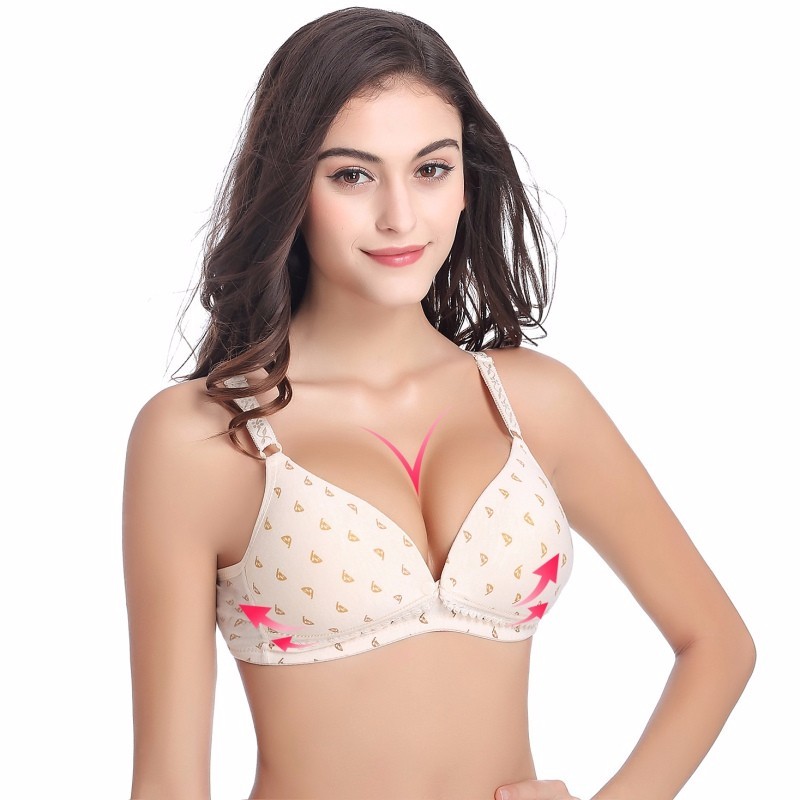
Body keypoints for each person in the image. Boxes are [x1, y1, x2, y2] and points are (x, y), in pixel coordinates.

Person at [122, 7, 755, 799]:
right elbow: (168, 785)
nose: (400, 216)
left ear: (466, 182)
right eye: (352, 175)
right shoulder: (203, 439)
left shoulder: (536, 403)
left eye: (431, 169)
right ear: (290, 187)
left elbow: (718, 644)